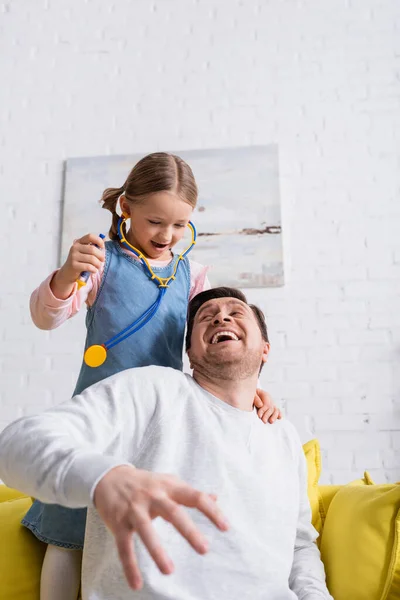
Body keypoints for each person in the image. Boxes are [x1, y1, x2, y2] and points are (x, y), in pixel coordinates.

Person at [24, 153, 280, 600]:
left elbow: (209, 351)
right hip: (100, 420)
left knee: (142, 538)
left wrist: (252, 387)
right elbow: (46, 318)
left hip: (158, 427)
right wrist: (67, 275)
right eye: (155, 221)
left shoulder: (192, 277)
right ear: (126, 208)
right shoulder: (101, 262)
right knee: (69, 534)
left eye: (180, 225)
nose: (167, 235)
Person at [0, 287, 331, 600]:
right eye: (207, 316)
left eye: (235, 312)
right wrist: (105, 477)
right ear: (190, 352)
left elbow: (300, 545)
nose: (220, 317)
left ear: (265, 349)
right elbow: (16, 444)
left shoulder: (282, 435)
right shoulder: (154, 390)